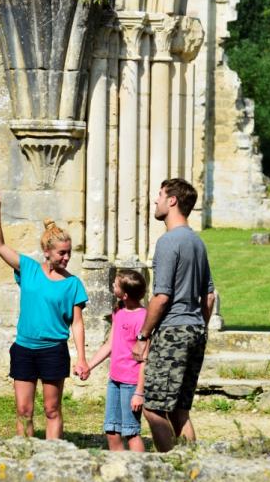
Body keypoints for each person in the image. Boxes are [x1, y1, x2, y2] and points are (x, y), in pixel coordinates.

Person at [0, 191, 90, 440]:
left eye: (69, 252)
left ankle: (52, 459)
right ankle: (26, 457)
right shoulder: (29, 269)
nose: (66, 257)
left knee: (52, 409)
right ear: (47, 251)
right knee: (24, 410)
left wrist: (82, 359)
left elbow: (77, 323)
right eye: (61, 253)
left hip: (53, 351)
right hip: (24, 349)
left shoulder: (73, 284)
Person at [131, 178, 216, 452]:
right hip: (195, 330)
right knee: (180, 411)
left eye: (159, 195)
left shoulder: (169, 241)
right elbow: (210, 296)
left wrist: (143, 335)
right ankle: (193, 467)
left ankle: (170, 470)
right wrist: (198, 327)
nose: (155, 201)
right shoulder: (197, 242)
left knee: (154, 409)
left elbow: (161, 297)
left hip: (173, 332)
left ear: (172, 201)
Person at [86, 269, 149, 452]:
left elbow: (145, 359)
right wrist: (89, 366)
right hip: (115, 380)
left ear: (125, 294)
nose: (112, 285)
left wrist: (139, 392)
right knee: (111, 429)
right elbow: (110, 345)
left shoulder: (143, 318)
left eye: (115, 284)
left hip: (131, 383)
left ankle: (140, 472)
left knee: (131, 431)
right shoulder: (119, 310)